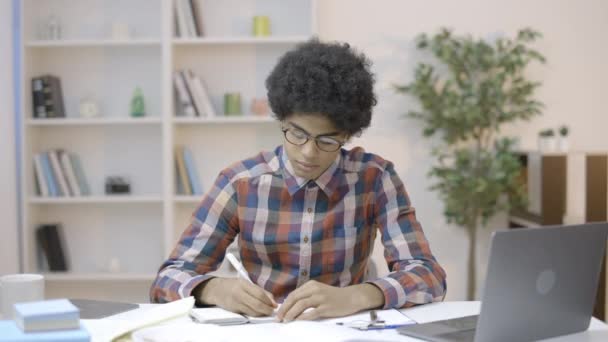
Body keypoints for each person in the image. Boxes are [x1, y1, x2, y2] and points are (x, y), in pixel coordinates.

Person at [150, 39, 447, 322]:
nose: (308, 152)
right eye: (297, 133)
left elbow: (427, 275)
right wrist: (214, 289)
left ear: (347, 135)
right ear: (282, 120)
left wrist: (356, 296)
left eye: (327, 140)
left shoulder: (375, 179)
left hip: (344, 331)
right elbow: (167, 280)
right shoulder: (240, 182)